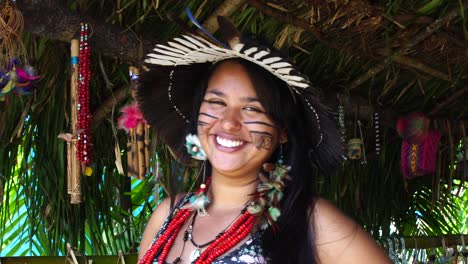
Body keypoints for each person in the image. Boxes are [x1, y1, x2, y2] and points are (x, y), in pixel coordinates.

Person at [137, 16, 391, 264]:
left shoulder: (312, 222)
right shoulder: (167, 214)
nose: (228, 122)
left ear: (282, 130)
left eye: (253, 109)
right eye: (216, 102)